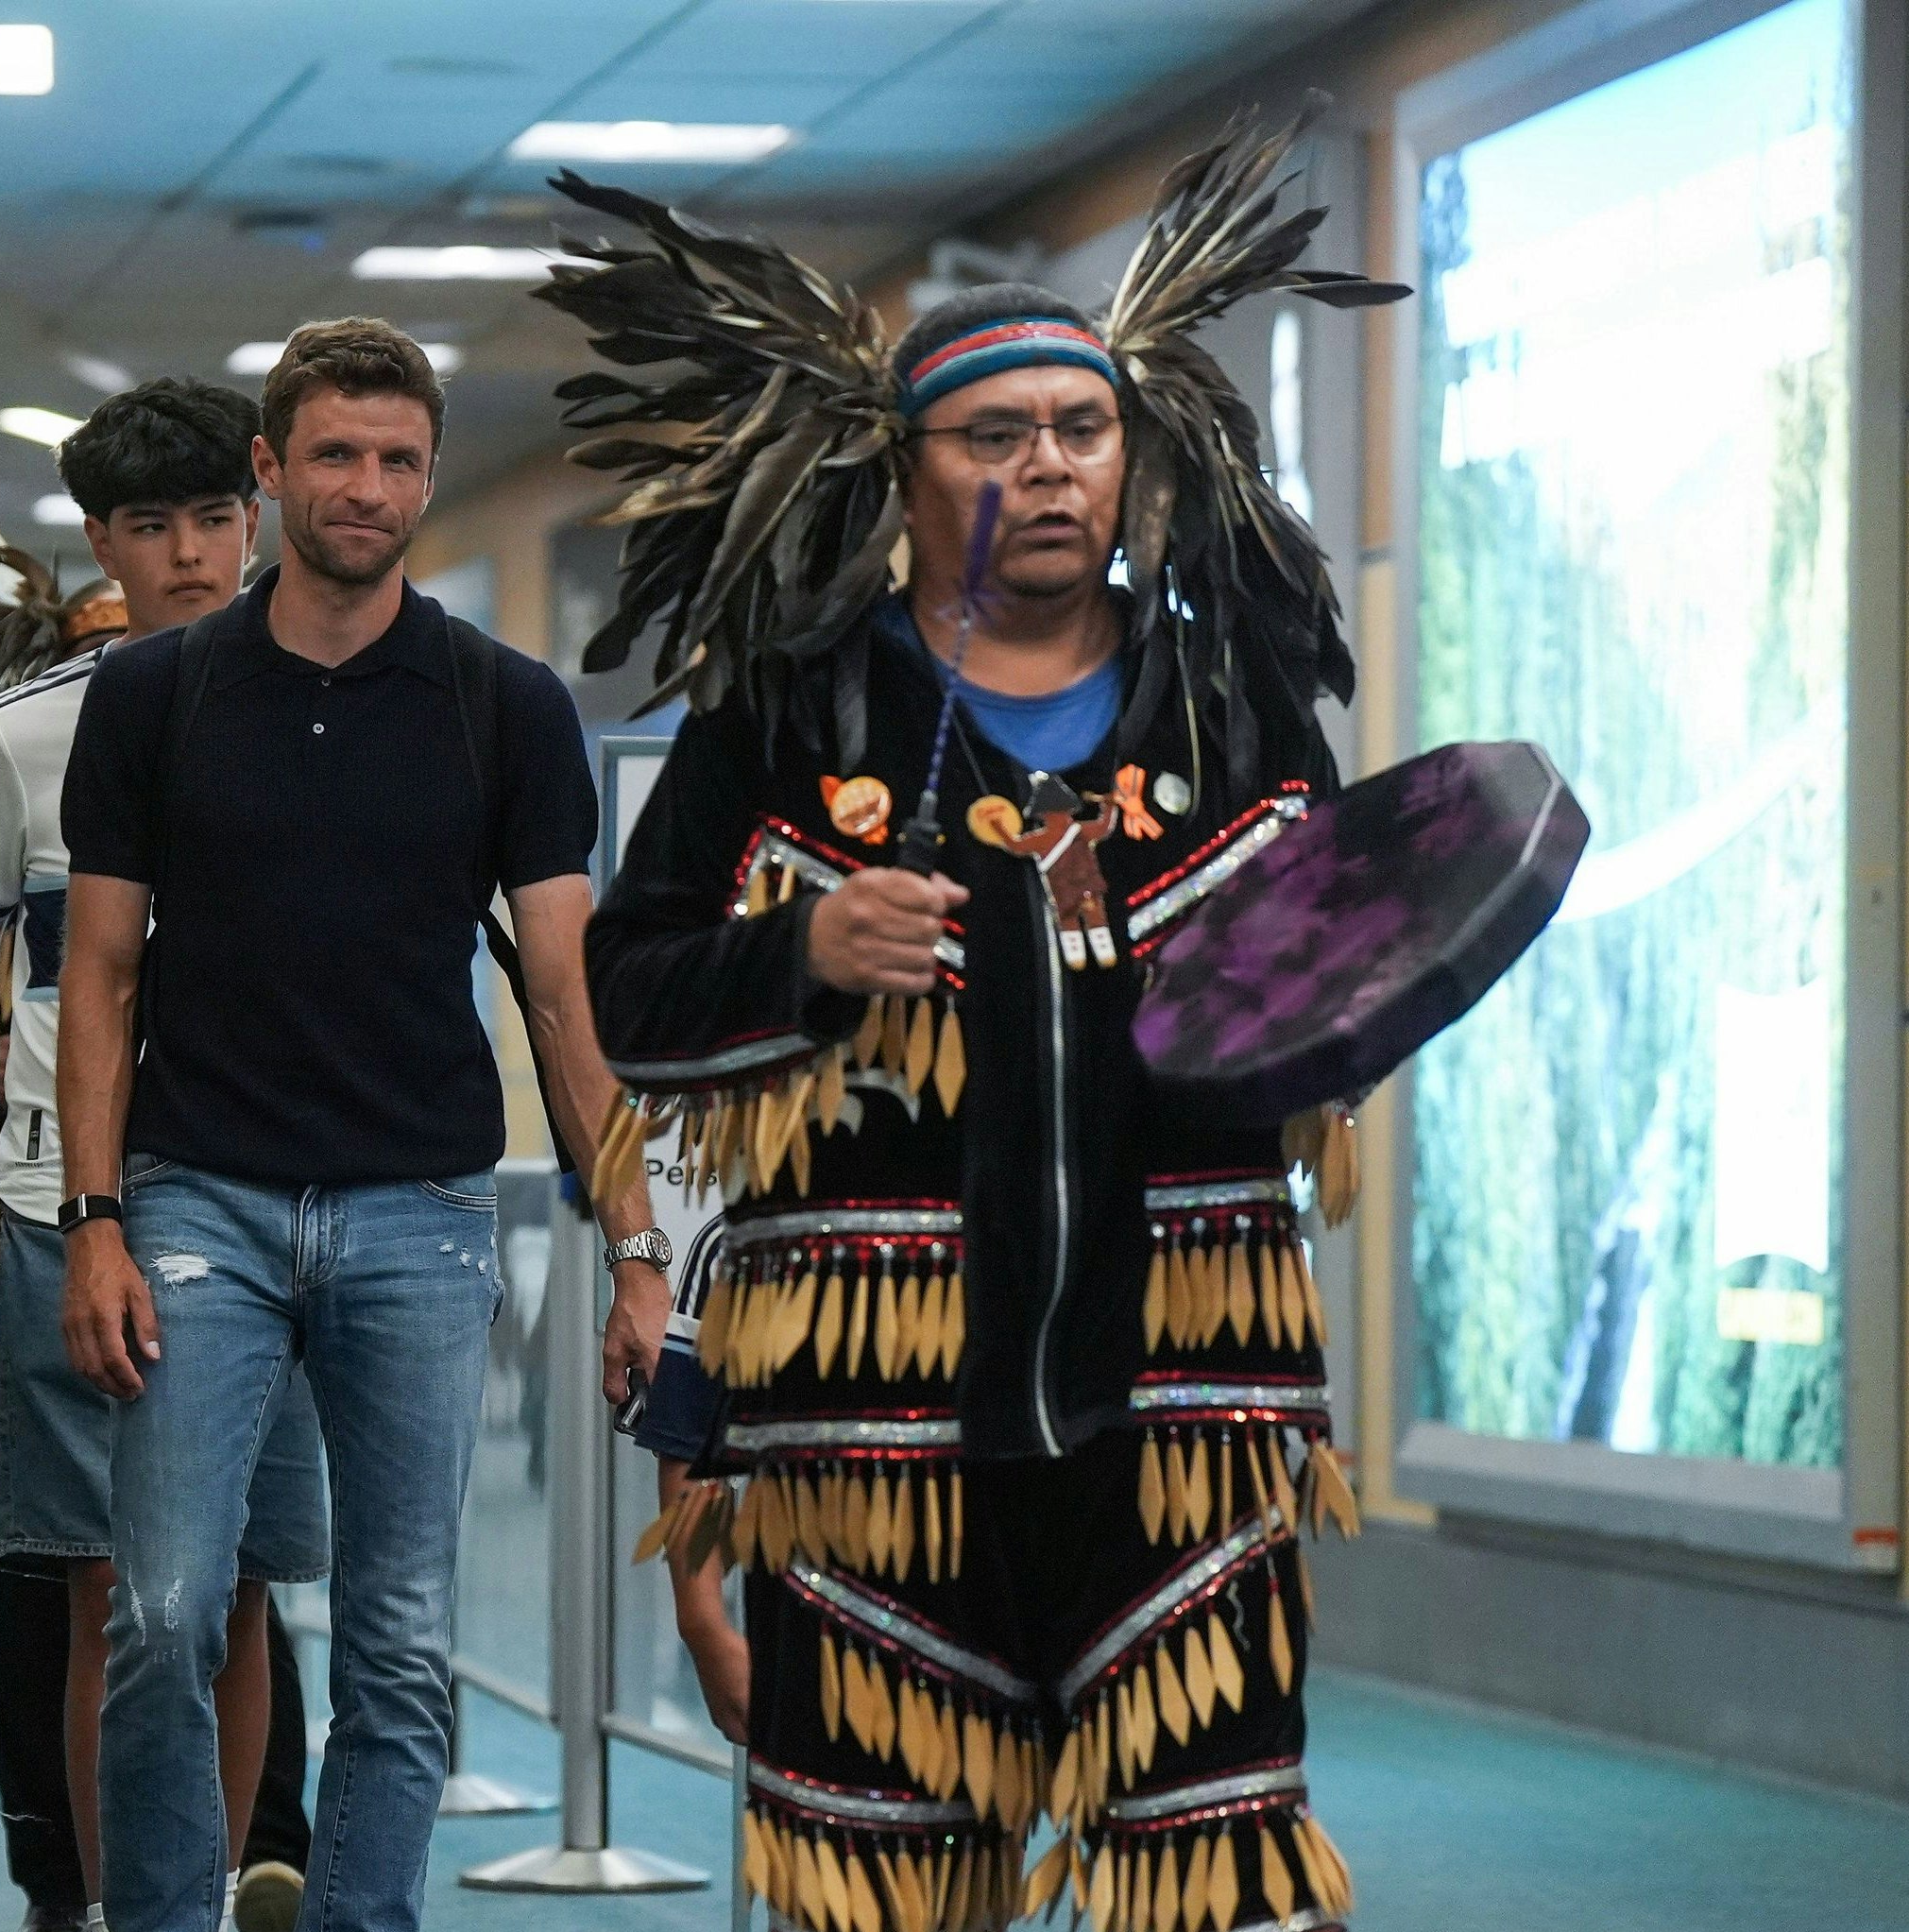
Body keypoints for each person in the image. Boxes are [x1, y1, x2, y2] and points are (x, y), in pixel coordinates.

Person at [547, 112, 1393, 1932]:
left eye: (1082, 430)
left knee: (1214, 1882)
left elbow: (1353, 997)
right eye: (996, 434)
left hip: (1181, 1399)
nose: (1051, 468)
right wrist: (804, 959)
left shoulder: (1232, 703)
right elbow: (627, 990)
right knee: (882, 1892)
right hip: (872, 1423)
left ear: (1134, 449)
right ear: (901, 468)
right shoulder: (792, 718)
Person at [55, 323, 669, 1932]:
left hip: (419, 1213)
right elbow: (101, 978)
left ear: (428, 476)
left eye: (399, 460)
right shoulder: (154, 694)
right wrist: (96, 1220)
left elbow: (558, 999)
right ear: (269, 474)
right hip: (200, 1209)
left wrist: (640, 1246)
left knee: (400, 1631)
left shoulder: (502, 706)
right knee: (169, 1612)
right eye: (335, 455)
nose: (369, 488)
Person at [0, 381, 326, 1932]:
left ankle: (207, 1902)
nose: (188, 554)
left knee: (224, 1589)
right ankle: (101, 1911)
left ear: (259, 510)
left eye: (214, 518)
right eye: (149, 526)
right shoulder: (22, 742)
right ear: (101, 540)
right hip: (48, 1210)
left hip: (261, 1202)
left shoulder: (319, 713)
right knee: (100, 1584)